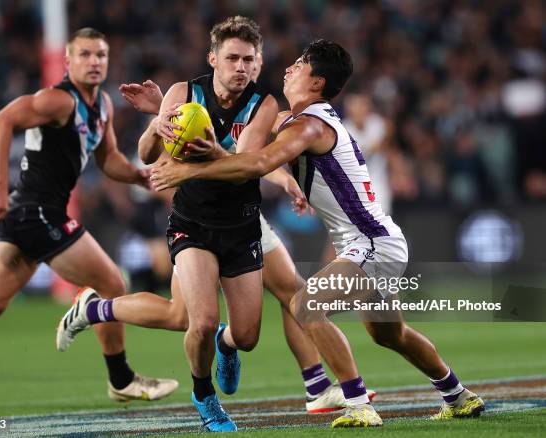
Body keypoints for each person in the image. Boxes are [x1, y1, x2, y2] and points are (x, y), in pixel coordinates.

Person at [150, 39, 485, 428]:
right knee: (390, 334)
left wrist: (188, 171)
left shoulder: (309, 124)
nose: (289, 69)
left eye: (300, 65)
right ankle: (458, 395)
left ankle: (358, 403)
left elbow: (254, 163)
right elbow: (240, 139)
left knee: (305, 304)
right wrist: (161, 115)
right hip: (375, 241)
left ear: (317, 81)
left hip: (371, 243)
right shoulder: (304, 119)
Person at [57, 17, 375, 422]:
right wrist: (159, 122)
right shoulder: (184, 93)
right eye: (233, 58)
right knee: (201, 320)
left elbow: (246, 164)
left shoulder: (264, 105)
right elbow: (147, 155)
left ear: (257, 63)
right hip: (193, 221)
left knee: (244, 336)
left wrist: (213, 158)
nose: (241, 67)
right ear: (213, 59)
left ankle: (105, 311)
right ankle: (206, 397)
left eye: (248, 59)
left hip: (243, 224)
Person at [0, 28, 178, 404]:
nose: (94, 62)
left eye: (100, 55)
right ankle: (121, 378)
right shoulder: (58, 100)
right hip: (37, 213)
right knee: (111, 281)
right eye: (84, 55)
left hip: (29, 218)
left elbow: (107, 158)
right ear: (68, 61)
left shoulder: (101, 107)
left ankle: (120, 378)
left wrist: (138, 176)